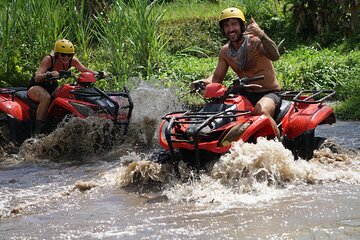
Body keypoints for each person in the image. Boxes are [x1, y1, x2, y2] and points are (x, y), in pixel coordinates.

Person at [193, 7, 281, 120]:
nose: (230, 29)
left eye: (234, 24)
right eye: (226, 25)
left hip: (268, 92)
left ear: (241, 26)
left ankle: (275, 137)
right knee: (218, 111)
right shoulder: (225, 52)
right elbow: (216, 78)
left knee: (261, 112)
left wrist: (262, 35)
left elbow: (275, 56)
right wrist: (203, 82)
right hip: (245, 92)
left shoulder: (255, 42)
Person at [27, 39, 100, 134]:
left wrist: (99, 74)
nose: (66, 57)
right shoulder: (49, 59)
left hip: (52, 86)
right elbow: (37, 77)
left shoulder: (72, 61)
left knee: (68, 93)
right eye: (63, 54)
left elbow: (84, 69)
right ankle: (38, 131)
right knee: (46, 98)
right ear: (57, 54)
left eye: (69, 55)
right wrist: (49, 74)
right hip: (37, 86)